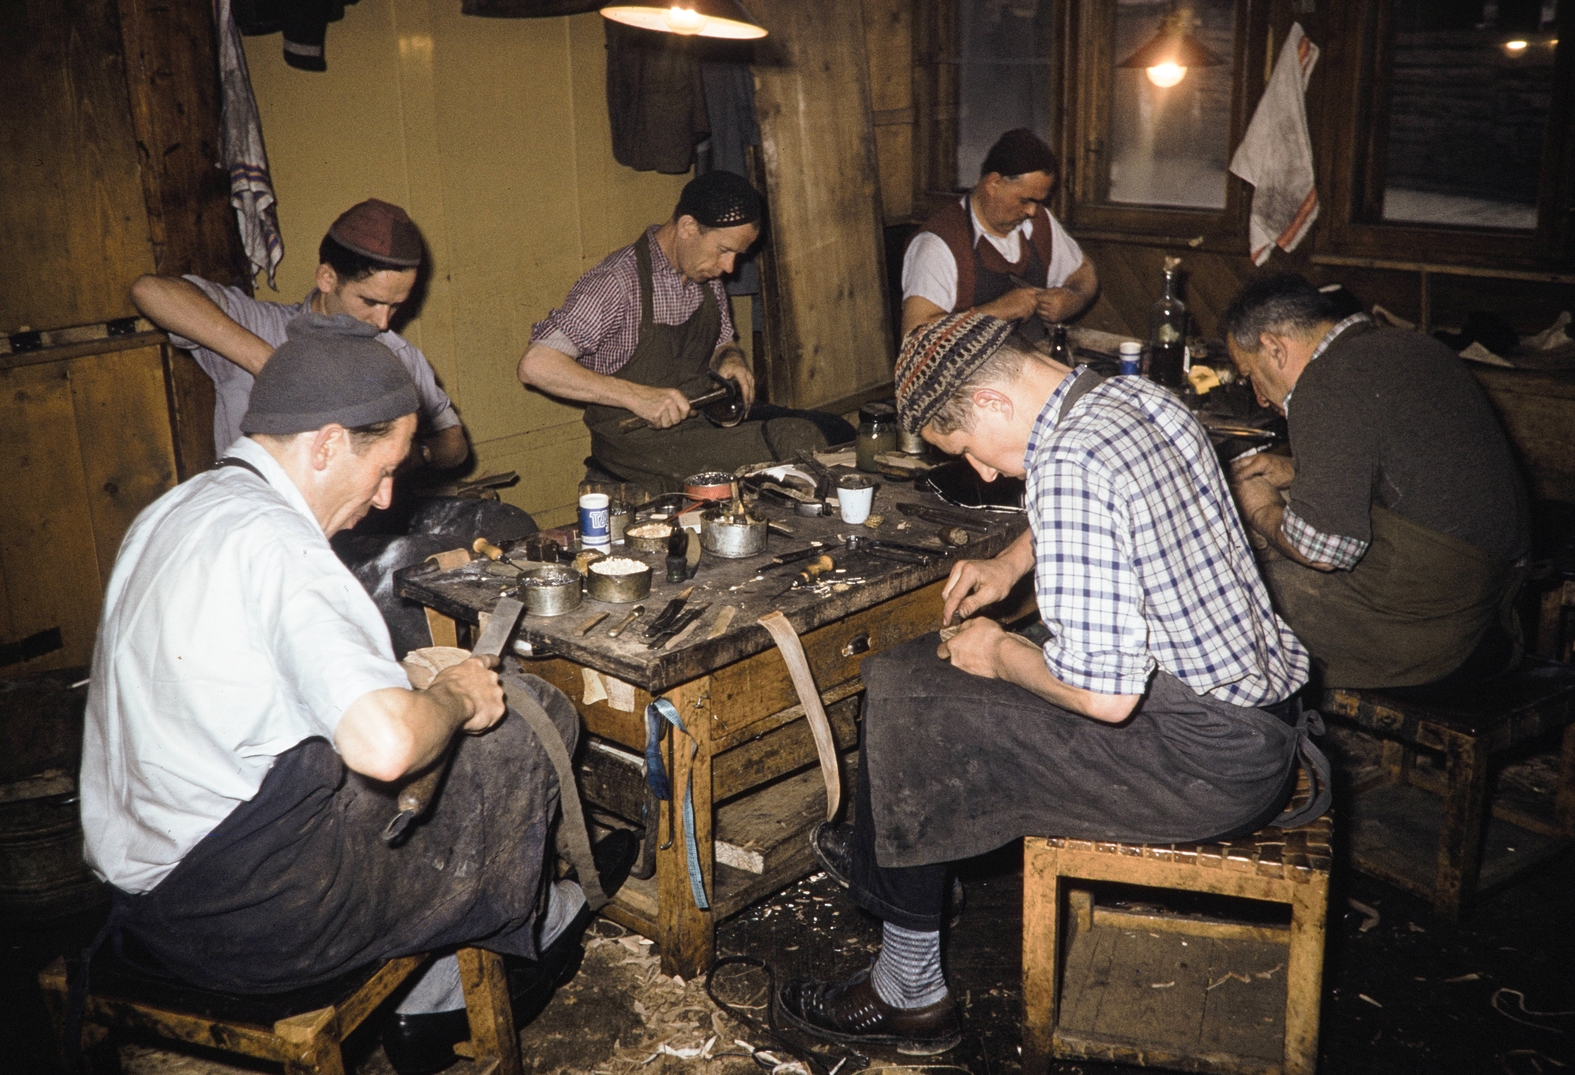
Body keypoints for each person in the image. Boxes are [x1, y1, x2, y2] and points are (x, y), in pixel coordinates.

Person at [78, 313, 633, 1075]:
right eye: (385, 470)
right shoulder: (285, 548)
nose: (383, 499)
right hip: (252, 920)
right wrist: (459, 700)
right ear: (329, 442)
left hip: (142, 898)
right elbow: (386, 743)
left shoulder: (176, 510)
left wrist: (405, 678)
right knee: (529, 731)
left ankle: (451, 956)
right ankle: (479, 967)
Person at [781, 311, 1320, 1054]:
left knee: (906, 697)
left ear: (993, 405)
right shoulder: (1136, 399)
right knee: (922, 683)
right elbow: (1092, 495)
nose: (986, 471)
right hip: (1264, 716)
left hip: (1204, 764)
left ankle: (909, 992)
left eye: (967, 447)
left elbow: (1107, 697)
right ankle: (903, 851)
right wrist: (1008, 563)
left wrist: (1001, 653)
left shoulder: (1069, 464)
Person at [1222, 273, 1530, 689]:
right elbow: (1416, 473)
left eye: (1250, 376)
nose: (1259, 397)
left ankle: (1243, 745)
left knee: (1226, 592)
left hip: (1438, 629)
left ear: (1274, 348)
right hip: (1500, 602)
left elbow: (1323, 550)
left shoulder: (1325, 383)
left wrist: (1260, 509)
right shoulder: (1414, 346)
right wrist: (1298, 472)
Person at [517, 170, 853, 496]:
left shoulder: (703, 275)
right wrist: (638, 397)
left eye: (738, 255)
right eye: (723, 250)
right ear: (688, 227)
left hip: (698, 422)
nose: (729, 268)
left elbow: (721, 338)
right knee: (796, 438)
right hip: (636, 444)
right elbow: (537, 365)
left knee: (833, 428)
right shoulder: (616, 283)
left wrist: (731, 358)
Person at [131, 198, 467, 474]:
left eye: (395, 306)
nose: (381, 322)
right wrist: (272, 364)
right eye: (370, 301)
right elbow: (150, 291)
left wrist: (413, 455)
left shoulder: (398, 355)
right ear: (327, 278)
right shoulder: (261, 325)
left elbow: (454, 443)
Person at [900, 128, 1098, 342]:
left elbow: (1084, 273)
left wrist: (1073, 298)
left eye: (1038, 202)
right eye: (1024, 200)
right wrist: (997, 311)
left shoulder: (1038, 222)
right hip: (969, 373)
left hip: (1030, 361)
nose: (1032, 211)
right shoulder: (937, 244)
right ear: (993, 184)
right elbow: (914, 335)